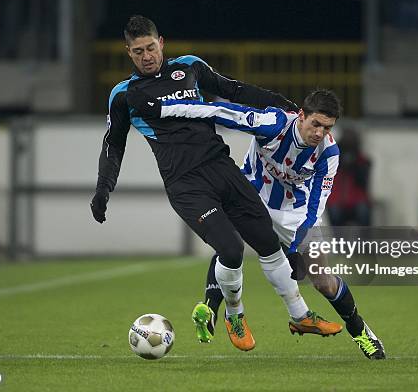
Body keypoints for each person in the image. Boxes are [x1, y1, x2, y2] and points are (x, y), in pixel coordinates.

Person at [90, 15, 341, 352]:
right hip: (186, 184)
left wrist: (278, 102)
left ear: (161, 42)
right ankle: (234, 316)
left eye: (151, 47)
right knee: (231, 248)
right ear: (128, 52)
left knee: (267, 241)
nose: (146, 56)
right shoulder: (124, 95)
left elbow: (233, 89)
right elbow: (113, 144)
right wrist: (104, 188)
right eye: (138, 51)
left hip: (221, 167)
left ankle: (300, 315)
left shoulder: (190, 67)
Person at [129, 89, 386, 360]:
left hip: (294, 214)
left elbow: (317, 205)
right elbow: (220, 113)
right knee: (227, 242)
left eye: (327, 127)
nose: (320, 133)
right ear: (301, 116)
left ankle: (361, 331)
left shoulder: (329, 152)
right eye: (316, 124)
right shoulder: (273, 124)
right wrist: (161, 109)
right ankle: (214, 309)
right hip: (250, 195)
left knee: (324, 282)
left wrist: (296, 245)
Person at [326, 128, 372, 227]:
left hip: (357, 199)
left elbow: (363, 182)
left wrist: (354, 165)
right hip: (337, 199)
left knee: (363, 212)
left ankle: (365, 241)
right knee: (334, 213)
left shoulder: (362, 161)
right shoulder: (333, 159)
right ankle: (338, 241)